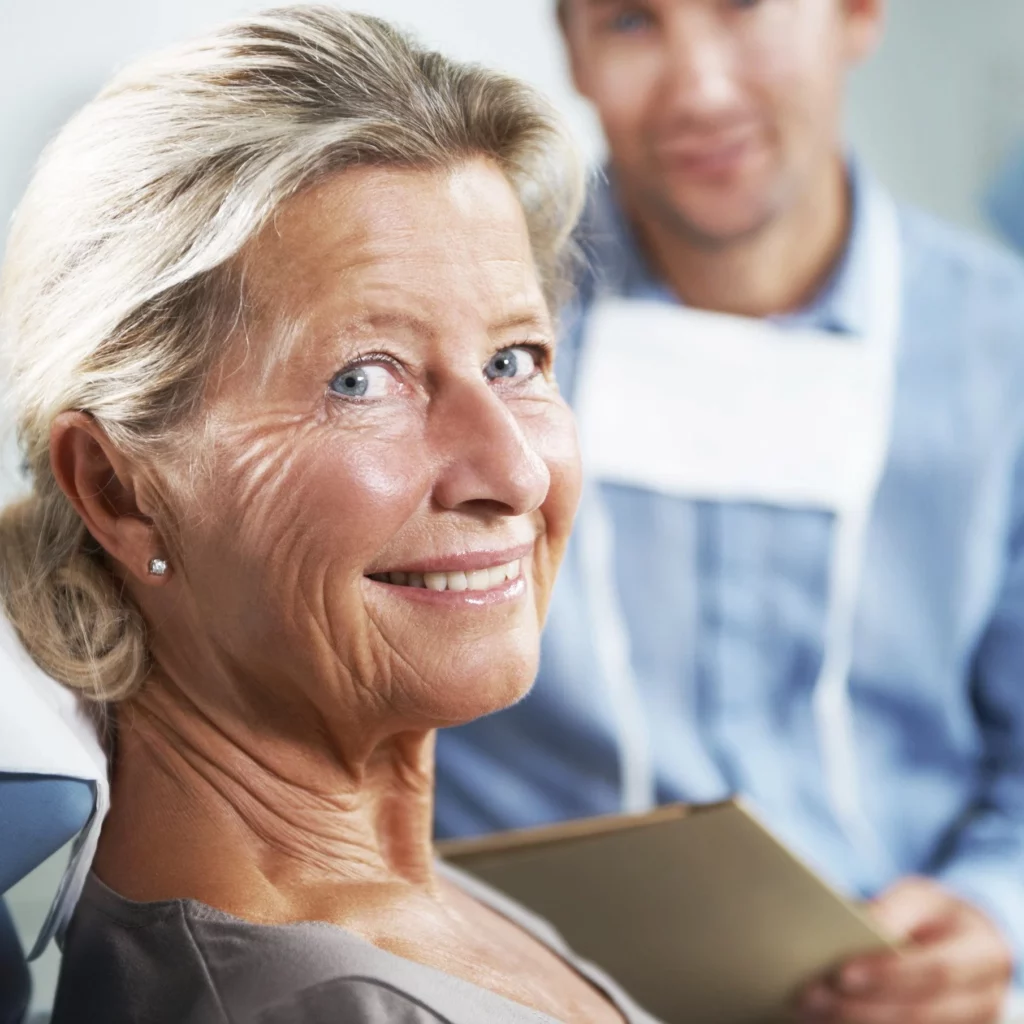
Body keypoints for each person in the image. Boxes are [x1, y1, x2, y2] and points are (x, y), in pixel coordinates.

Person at [0, 8, 660, 1022]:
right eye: (361, 379)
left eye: (513, 360)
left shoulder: (396, 890)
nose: (513, 470)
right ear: (119, 491)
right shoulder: (308, 1003)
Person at [435, 1, 1024, 1021]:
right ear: (566, 45)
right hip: (499, 981)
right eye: (629, 22)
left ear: (854, 14)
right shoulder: (450, 323)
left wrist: (992, 914)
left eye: (743, 8)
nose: (698, 89)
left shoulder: (1000, 352)